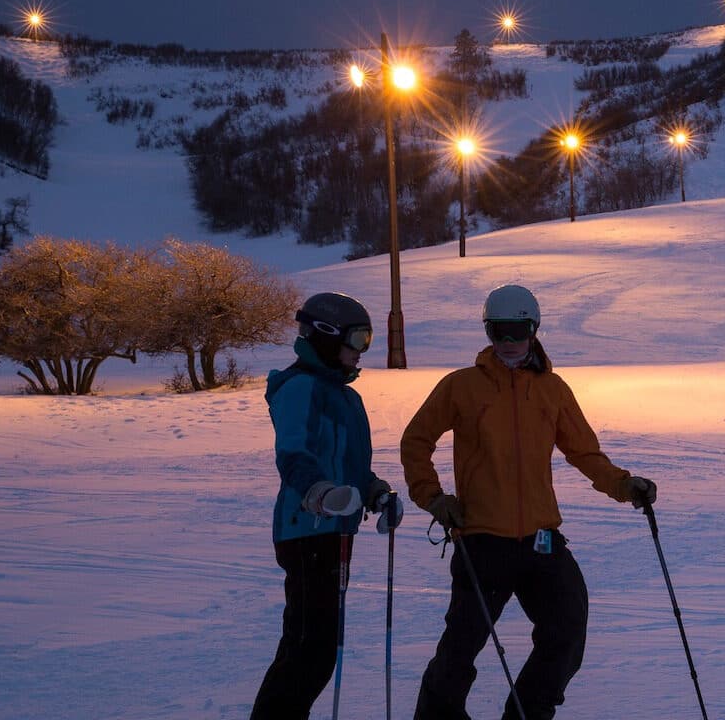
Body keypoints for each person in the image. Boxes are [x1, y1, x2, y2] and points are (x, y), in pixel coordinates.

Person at [401, 284, 657, 720]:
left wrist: (624, 485)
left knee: (566, 631)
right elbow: (416, 441)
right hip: (482, 540)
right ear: (487, 331)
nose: (508, 342)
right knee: (461, 648)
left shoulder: (552, 389)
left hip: (541, 539)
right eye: (498, 332)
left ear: (533, 329)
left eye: (517, 330)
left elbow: (584, 452)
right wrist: (434, 498)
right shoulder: (462, 386)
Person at [251, 292, 404, 720]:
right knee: (309, 651)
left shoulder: (347, 397)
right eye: (357, 339)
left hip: (335, 533)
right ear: (325, 337)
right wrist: (320, 493)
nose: (361, 351)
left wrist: (374, 493)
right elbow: (294, 455)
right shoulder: (300, 388)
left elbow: (353, 468)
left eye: (366, 340)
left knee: (316, 649)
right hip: (305, 532)